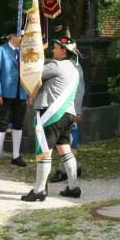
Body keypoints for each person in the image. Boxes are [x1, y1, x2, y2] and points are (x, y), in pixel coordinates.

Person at [22, 37, 82, 201]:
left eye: (55, 47)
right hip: (67, 114)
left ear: (64, 50)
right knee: (65, 149)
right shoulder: (75, 69)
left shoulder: (57, 65)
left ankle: (39, 190)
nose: (53, 50)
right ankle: (73, 187)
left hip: (51, 112)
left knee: (44, 151)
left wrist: (29, 58)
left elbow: (34, 74)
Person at [0, 28, 28, 168]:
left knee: (18, 124)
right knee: (2, 123)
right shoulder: (0, 50)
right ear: (12, 36)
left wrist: (29, 93)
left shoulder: (25, 52)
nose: (23, 38)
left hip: (21, 93)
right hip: (5, 93)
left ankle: (16, 156)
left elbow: (29, 74)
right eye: (20, 35)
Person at [50, 51, 85, 183]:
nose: (53, 50)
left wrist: (77, 110)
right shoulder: (58, 64)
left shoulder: (74, 66)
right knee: (64, 141)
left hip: (69, 108)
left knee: (67, 140)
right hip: (58, 108)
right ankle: (75, 167)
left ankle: (63, 171)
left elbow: (80, 89)